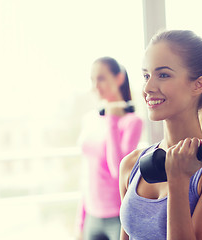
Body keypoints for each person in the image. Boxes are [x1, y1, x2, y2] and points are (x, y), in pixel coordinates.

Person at [119, 30, 202, 240]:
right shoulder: (132, 164)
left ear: (198, 84)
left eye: (163, 75)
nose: (147, 88)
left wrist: (178, 180)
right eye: (146, 76)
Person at [76, 57, 143, 240]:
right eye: (92, 80)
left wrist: (112, 120)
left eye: (101, 78)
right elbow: (87, 173)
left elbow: (117, 169)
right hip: (91, 215)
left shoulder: (132, 122)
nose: (96, 86)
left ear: (119, 78)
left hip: (117, 216)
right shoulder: (90, 119)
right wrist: (80, 222)